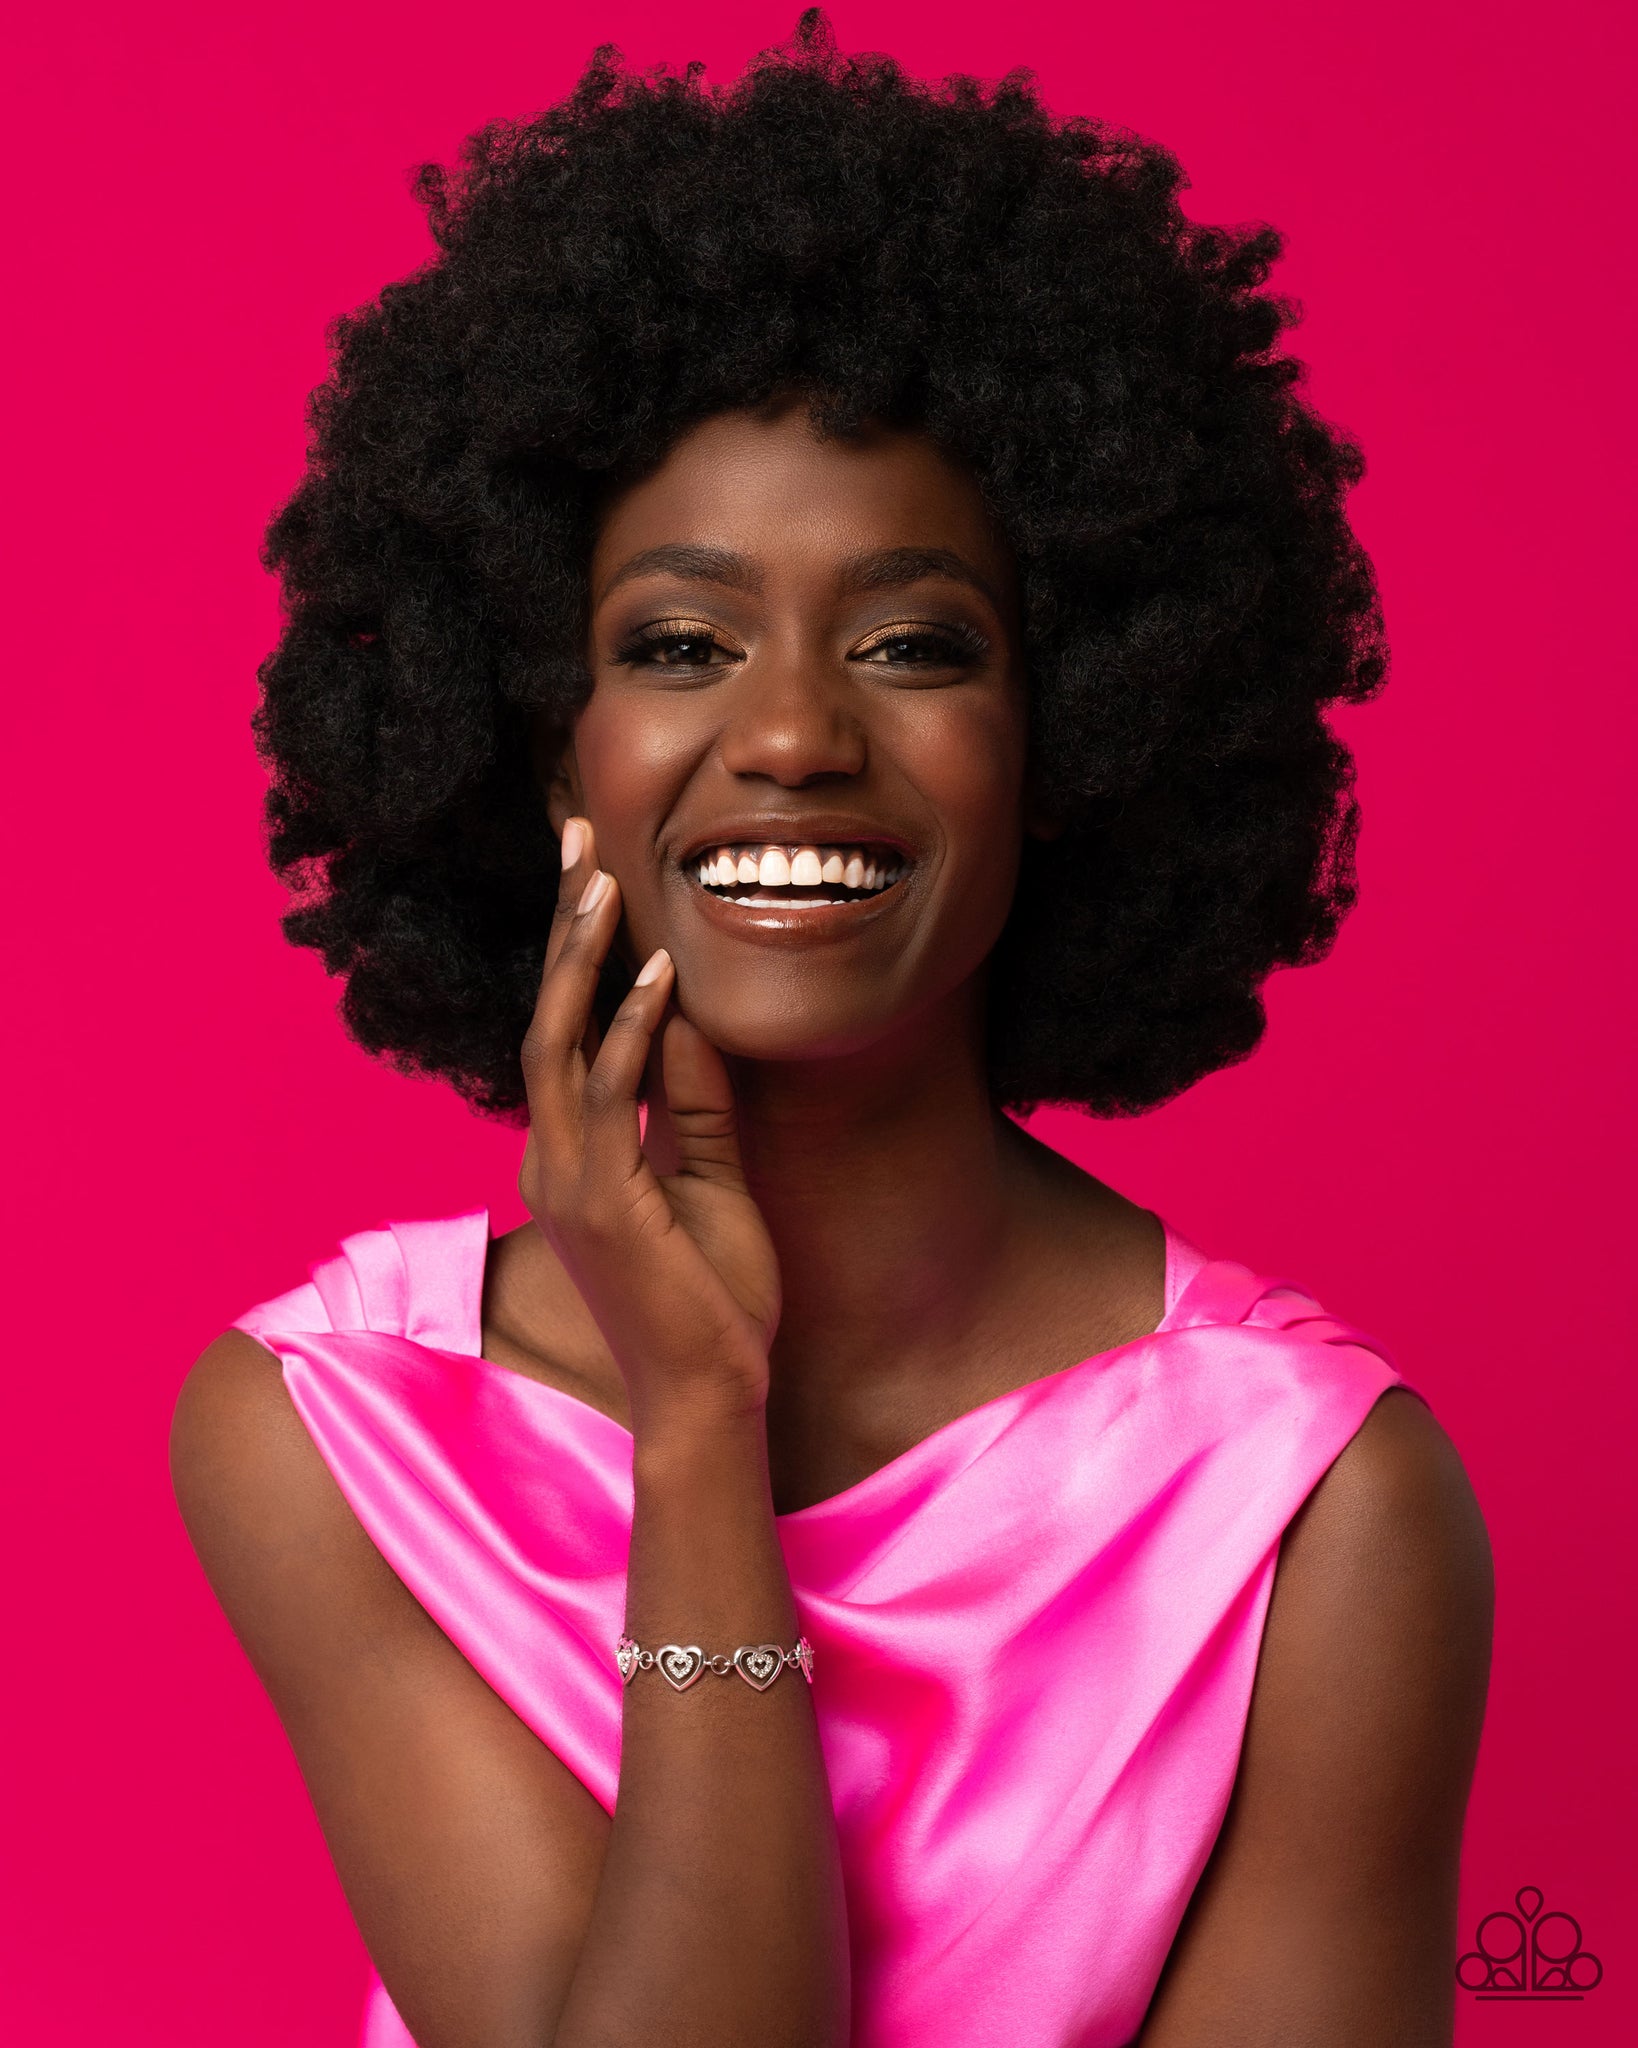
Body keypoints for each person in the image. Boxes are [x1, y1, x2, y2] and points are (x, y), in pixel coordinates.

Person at [170, 16, 1493, 2046]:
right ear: (549, 747)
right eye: (680, 642)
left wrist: (702, 1414)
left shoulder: (1310, 1517)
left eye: (912, 643)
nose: (791, 733)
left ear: (1073, 738)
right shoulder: (334, 1431)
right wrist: (702, 1427)